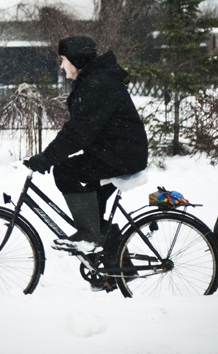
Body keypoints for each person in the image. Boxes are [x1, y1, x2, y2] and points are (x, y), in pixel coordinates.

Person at [26, 36, 148, 254]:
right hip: (116, 153)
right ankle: (116, 270)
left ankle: (88, 236)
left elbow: (79, 131)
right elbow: (81, 130)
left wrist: (49, 157)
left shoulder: (97, 83)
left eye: (64, 59)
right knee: (93, 211)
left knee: (65, 171)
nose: (62, 65)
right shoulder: (94, 81)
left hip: (120, 156)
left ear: (76, 60)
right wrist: (55, 154)